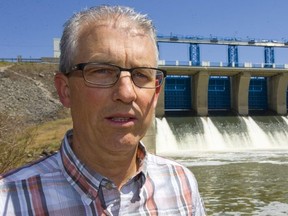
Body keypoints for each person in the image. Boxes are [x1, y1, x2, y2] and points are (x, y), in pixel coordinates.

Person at [0, 5, 206, 215]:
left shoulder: (182, 185)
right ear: (65, 90)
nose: (126, 93)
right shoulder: (9, 200)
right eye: (103, 71)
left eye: (141, 75)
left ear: (155, 93)